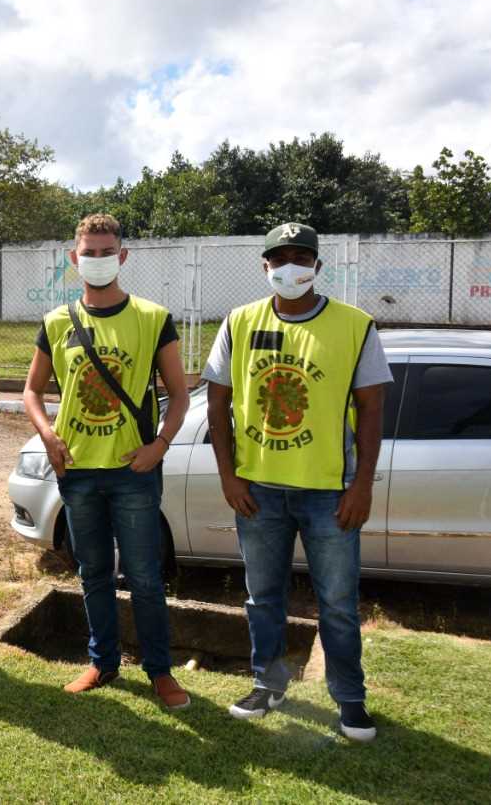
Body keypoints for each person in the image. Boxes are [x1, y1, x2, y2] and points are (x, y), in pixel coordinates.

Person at [205, 222, 390, 743]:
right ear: (264, 266)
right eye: (280, 258)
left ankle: (349, 700)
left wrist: (362, 486)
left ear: (318, 266)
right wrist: (229, 476)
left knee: (338, 603)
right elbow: (217, 402)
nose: (290, 267)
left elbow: (372, 409)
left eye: (301, 258)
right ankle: (268, 684)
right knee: (263, 597)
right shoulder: (239, 322)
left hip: (329, 492)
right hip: (258, 491)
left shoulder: (355, 325)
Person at [22, 213, 192, 711]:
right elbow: (31, 391)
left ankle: (160, 671)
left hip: (133, 471)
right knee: (92, 573)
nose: (97, 260)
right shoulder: (57, 321)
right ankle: (103, 662)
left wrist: (160, 445)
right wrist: (47, 433)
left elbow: (180, 394)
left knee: (144, 578)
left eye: (106, 252)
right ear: (73, 259)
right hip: (77, 472)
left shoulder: (152, 318)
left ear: (123, 256)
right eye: (88, 253)